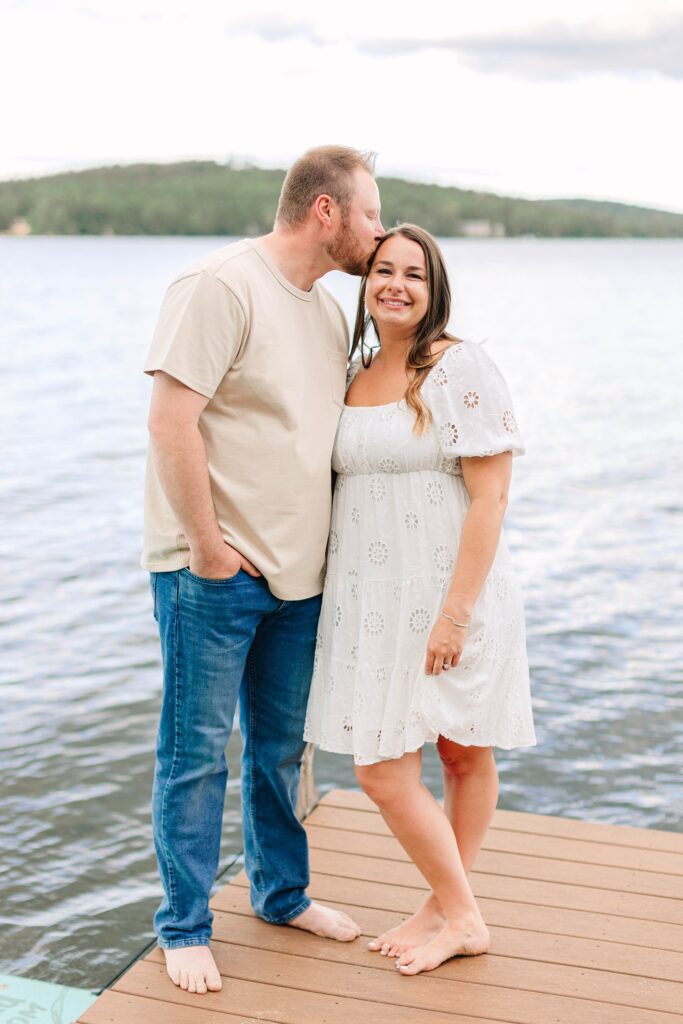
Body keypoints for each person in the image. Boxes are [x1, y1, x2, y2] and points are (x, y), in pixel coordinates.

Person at [142, 145, 384, 994]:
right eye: (370, 215)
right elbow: (171, 422)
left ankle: (282, 895)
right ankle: (183, 924)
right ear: (327, 212)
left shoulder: (324, 309)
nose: (377, 234)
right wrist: (208, 551)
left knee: (281, 752)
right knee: (196, 754)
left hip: (299, 581)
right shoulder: (219, 286)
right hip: (213, 574)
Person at [304, 223, 537, 975]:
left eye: (413, 274)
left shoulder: (458, 365)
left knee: (462, 753)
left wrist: (454, 615)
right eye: (381, 271)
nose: (395, 285)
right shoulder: (357, 372)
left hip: (449, 594)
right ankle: (451, 905)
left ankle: (452, 912)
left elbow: (490, 500)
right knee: (384, 769)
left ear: (434, 289)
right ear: (364, 283)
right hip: (372, 602)